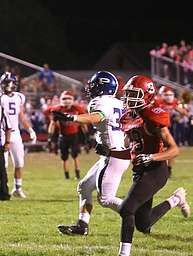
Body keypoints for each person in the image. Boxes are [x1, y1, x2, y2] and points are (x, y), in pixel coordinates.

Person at [105, 75, 190, 256]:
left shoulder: (153, 116)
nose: (128, 98)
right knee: (143, 224)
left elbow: (174, 149)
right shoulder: (128, 117)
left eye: (134, 94)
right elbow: (131, 149)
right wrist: (108, 151)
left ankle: (124, 254)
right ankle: (176, 199)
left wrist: (152, 157)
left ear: (147, 95)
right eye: (128, 94)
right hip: (140, 171)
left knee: (127, 210)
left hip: (155, 171)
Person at [53, 71, 130, 235]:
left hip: (113, 156)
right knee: (84, 187)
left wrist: (71, 118)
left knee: (106, 199)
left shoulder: (99, 102)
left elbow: (97, 117)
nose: (91, 89)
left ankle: (138, 217)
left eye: (94, 85)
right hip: (112, 153)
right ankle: (82, 225)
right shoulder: (117, 102)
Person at [0, 72, 37, 198]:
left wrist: (30, 130)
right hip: (1, 133)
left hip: (15, 133)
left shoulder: (19, 97)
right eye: (6, 83)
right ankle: (1, 190)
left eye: (10, 82)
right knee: (3, 164)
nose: (8, 85)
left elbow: (21, 116)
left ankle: (17, 189)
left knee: (19, 162)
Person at [48, 90, 88, 180]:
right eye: (64, 98)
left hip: (74, 135)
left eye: (68, 98)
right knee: (64, 157)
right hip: (63, 136)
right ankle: (67, 176)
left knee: (75, 155)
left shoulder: (76, 108)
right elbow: (52, 124)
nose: (66, 100)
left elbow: (83, 122)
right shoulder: (58, 110)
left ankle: (77, 174)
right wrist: (50, 137)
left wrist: (86, 135)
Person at [153, 85, 190, 177]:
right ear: (161, 95)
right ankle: (156, 167)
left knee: (172, 147)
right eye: (166, 95)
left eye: (170, 95)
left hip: (168, 126)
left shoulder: (173, 102)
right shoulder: (157, 102)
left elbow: (179, 110)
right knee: (157, 147)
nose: (169, 97)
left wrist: (190, 116)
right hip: (157, 127)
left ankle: (168, 169)